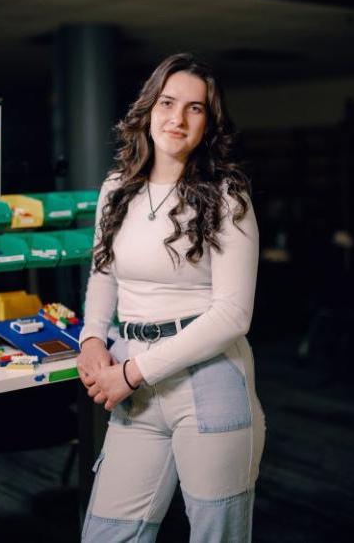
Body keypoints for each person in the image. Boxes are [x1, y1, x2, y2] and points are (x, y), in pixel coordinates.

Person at [77, 53, 266, 542]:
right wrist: (93, 339)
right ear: (149, 107)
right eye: (167, 102)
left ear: (210, 122)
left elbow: (232, 315)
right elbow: (104, 273)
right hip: (132, 383)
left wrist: (130, 373)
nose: (177, 119)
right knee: (106, 534)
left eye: (195, 108)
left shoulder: (227, 196)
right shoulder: (117, 188)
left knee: (215, 536)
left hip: (207, 383)